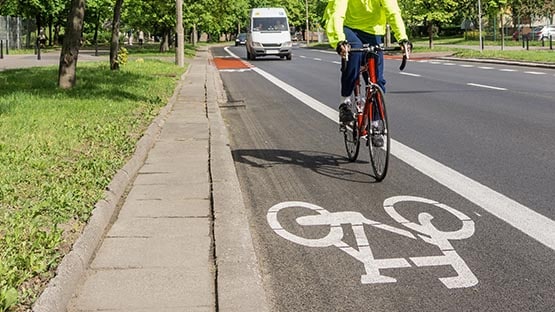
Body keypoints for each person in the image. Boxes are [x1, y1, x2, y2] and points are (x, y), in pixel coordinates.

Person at [324, 0, 411, 123]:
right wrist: (339, 40)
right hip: (349, 27)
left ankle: (376, 124)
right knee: (354, 50)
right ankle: (345, 102)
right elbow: (337, 13)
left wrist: (402, 38)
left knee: (378, 80)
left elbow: (393, 12)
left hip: (373, 32)